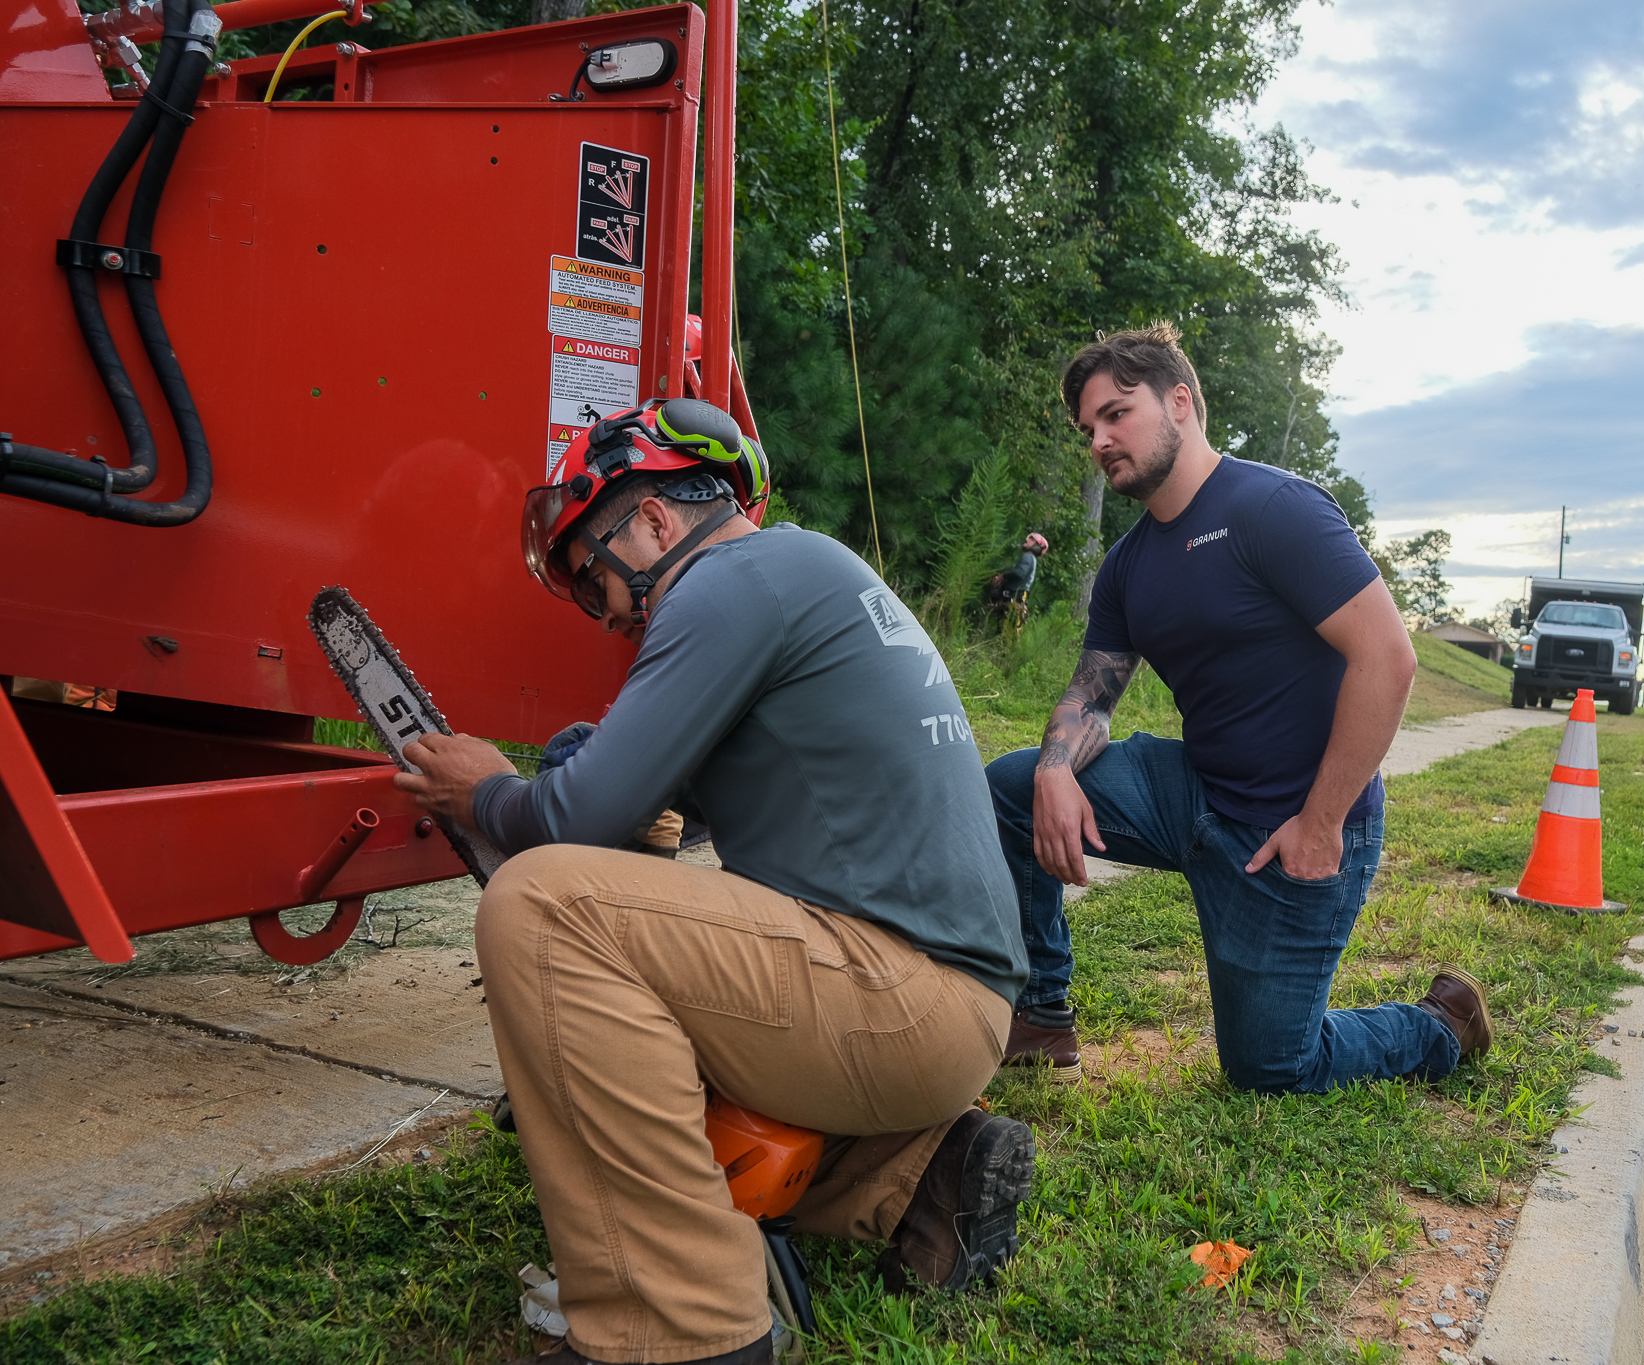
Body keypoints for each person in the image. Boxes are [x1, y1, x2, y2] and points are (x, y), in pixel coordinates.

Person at [396, 398, 1034, 1365]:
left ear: (652, 519)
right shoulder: (802, 572)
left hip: (901, 994)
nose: (608, 612)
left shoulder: (729, 582)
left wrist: (486, 791)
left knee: (544, 907)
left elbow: (570, 824)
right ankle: (910, 1176)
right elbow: (649, 813)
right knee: (610, 981)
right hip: (945, 1005)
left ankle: (687, 1328)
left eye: (597, 581)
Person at [985, 324, 1493, 1095]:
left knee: (1271, 1067)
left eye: (1117, 413)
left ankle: (1440, 1024)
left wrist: (1322, 823)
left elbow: (1388, 658)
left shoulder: (1274, 508)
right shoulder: (1129, 565)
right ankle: (1041, 1011)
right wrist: (1055, 768)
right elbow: (1093, 690)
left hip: (1291, 826)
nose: (1100, 439)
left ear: (1179, 402)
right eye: (1089, 428)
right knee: (1011, 785)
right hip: (1193, 792)